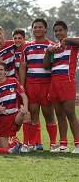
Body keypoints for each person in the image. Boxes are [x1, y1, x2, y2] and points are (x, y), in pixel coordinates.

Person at [19, 18, 57, 151]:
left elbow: (54, 68)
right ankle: (33, 144)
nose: (37, 29)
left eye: (40, 27)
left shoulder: (52, 46)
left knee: (49, 115)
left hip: (46, 84)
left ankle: (53, 144)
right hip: (32, 85)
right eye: (35, 27)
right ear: (32, 29)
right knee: (33, 114)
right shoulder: (27, 46)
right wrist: (22, 86)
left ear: (45, 29)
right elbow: (23, 67)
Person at [43, 21, 79, 153]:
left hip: (67, 81)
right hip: (54, 82)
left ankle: (77, 144)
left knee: (70, 113)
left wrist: (67, 39)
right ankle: (63, 145)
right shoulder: (54, 47)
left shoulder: (72, 44)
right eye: (56, 31)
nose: (58, 33)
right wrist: (48, 50)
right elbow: (46, 66)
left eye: (61, 30)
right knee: (59, 114)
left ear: (66, 30)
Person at [0, 61, 31, 149]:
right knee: (5, 148)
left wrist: (25, 107)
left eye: (1, 70)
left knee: (26, 114)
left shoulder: (13, 81)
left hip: (16, 116)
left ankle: (26, 145)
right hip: (3, 119)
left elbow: (23, 95)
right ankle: (16, 143)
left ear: (5, 71)